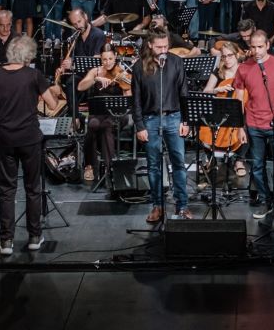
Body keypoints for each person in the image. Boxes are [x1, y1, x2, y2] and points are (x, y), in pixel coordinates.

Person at [0, 36, 59, 255]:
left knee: (7, 189)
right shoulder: (33, 75)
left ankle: (6, 241)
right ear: (28, 56)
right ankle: (34, 236)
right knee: (32, 188)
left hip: (5, 138)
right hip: (29, 138)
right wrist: (50, 92)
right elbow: (53, 104)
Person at [234, 30, 274, 224]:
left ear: (268, 45)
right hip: (254, 123)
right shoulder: (243, 68)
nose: (257, 51)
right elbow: (238, 100)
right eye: (253, 47)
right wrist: (240, 127)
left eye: (260, 46)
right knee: (257, 167)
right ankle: (265, 200)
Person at [131, 28, 192, 222]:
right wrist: (139, 126)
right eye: (159, 47)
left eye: (166, 46)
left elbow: (184, 93)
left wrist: (186, 121)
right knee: (153, 165)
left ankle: (182, 206)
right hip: (150, 119)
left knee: (178, 163)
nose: (164, 50)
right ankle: (157, 206)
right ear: (150, 45)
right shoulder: (139, 66)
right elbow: (136, 100)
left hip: (174, 117)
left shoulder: (176, 62)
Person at [77, 44, 132, 182]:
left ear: (116, 57)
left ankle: (108, 168)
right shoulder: (95, 71)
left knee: (107, 125)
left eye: (110, 59)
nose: (108, 63)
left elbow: (129, 100)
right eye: (104, 59)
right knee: (93, 125)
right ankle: (91, 166)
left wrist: (125, 85)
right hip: (98, 113)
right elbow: (80, 87)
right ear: (100, 59)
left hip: (117, 115)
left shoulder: (121, 72)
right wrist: (95, 79)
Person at [202, 40, 248, 176]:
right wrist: (217, 90)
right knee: (204, 126)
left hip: (240, 108)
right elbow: (206, 91)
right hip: (220, 108)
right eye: (224, 56)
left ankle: (239, 161)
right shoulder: (219, 71)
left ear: (237, 55)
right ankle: (210, 159)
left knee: (247, 123)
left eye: (230, 55)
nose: (227, 59)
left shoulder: (244, 70)